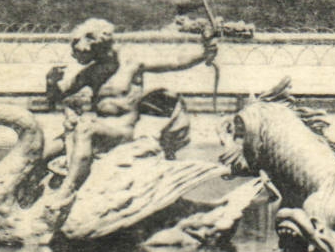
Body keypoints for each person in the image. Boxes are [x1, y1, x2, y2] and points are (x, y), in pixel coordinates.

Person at [45, 18, 217, 193]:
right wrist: (51, 81)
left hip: (120, 131)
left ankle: (68, 190)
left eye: (94, 54)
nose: (92, 60)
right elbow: (57, 96)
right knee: (47, 151)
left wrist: (206, 52)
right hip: (95, 130)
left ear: (102, 46)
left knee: (85, 129)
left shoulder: (131, 63)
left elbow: (176, 61)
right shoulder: (92, 72)